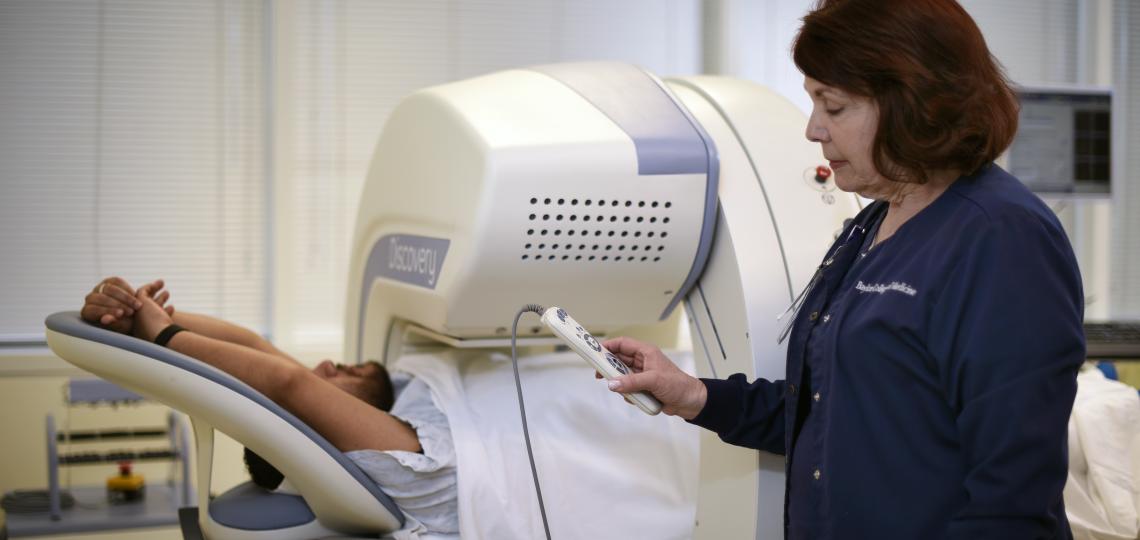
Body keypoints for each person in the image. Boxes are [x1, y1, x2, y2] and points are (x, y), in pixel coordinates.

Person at [603, 1, 1085, 538]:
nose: (814, 130)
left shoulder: (1001, 237)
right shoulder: (875, 221)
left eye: (833, 107)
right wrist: (695, 394)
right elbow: (828, 411)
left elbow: (1011, 492)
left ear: (913, 103)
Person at [80, 276, 458, 535]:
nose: (325, 365)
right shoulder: (410, 463)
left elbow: (254, 347)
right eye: (328, 382)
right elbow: (288, 382)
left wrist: (137, 316)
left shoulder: (391, 410)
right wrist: (163, 336)